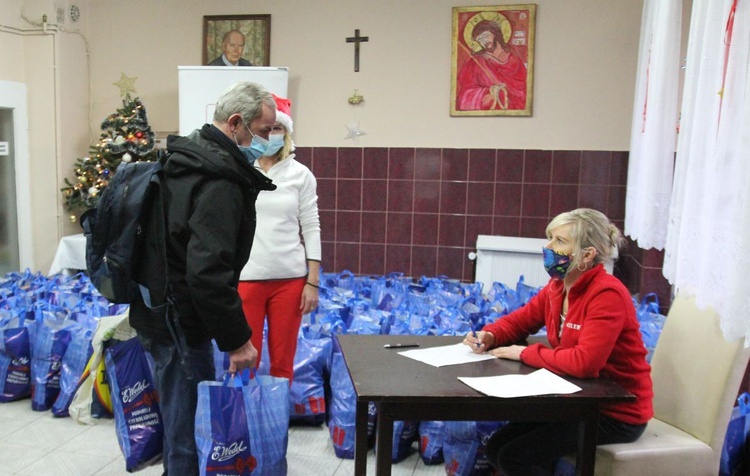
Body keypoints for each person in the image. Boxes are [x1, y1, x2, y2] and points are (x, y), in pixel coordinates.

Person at [129, 81, 277, 475]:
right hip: (182, 319)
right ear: (236, 123)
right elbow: (208, 272)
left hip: (156, 308)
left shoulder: (185, 157)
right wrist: (236, 340)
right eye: (263, 131)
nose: (268, 140)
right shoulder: (220, 179)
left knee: (179, 419)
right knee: (190, 430)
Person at [463, 208, 653, 475]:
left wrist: (524, 353)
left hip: (615, 414)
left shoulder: (607, 294)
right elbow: (519, 321)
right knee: (497, 448)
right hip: (578, 399)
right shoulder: (557, 286)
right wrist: (491, 335)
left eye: (560, 241)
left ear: (587, 255)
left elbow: (585, 363)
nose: (548, 246)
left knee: (513, 457)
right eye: (550, 237)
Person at [238, 94, 321, 382]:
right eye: (267, 128)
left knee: (283, 363)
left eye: (278, 128)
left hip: (290, 280)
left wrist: (313, 280)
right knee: (244, 358)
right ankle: (244, 423)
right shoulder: (240, 170)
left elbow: (311, 226)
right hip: (246, 277)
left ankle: (274, 425)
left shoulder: (301, 175)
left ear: (286, 133)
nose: (272, 134)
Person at [456, 19, 527, 111]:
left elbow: (524, 89)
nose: (484, 41)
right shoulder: (475, 62)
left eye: (486, 35)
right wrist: (488, 93)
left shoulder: (515, 57)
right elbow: (465, 93)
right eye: (480, 39)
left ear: (495, 33)